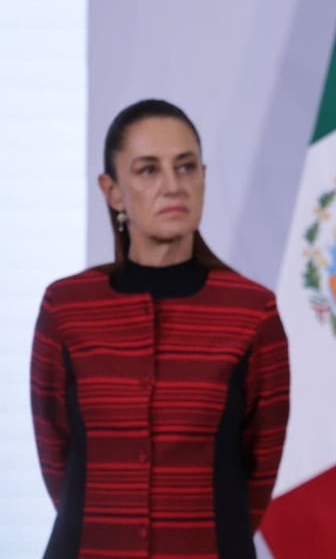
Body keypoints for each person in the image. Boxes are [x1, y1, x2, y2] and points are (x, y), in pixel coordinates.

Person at [30, 99, 291, 558]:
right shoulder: (67, 307)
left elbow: (259, 462)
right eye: (148, 170)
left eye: (185, 167)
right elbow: (58, 454)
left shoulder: (252, 311)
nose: (173, 185)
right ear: (113, 191)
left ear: (203, 177)